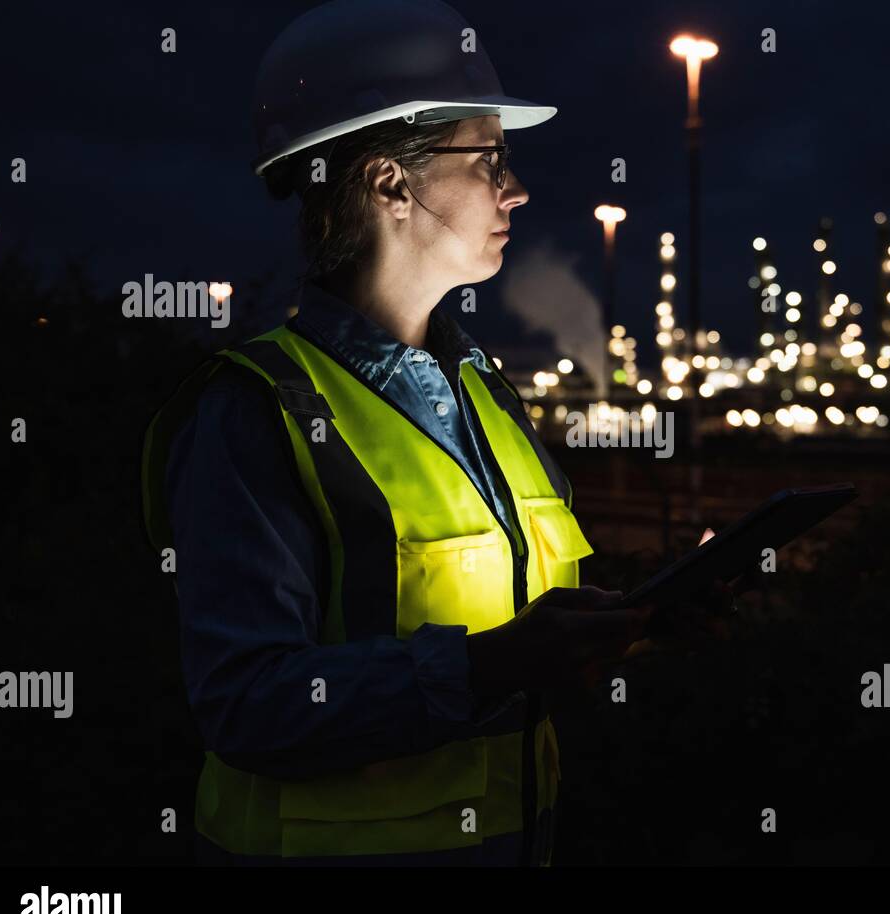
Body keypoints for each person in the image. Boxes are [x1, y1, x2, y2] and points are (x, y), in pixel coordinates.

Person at [140, 0, 728, 867]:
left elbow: (526, 618)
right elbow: (247, 704)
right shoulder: (254, 411)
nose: (515, 188)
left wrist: (640, 615)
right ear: (389, 183)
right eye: (489, 157)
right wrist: (494, 665)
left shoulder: (484, 392)